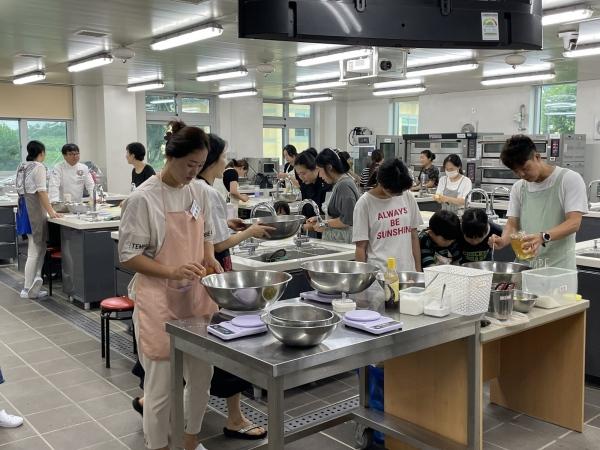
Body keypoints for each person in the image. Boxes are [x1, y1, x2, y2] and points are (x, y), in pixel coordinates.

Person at [119, 122, 220, 450]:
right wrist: (171, 270)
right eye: (189, 164)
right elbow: (129, 257)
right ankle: (159, 446)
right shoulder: (143, 198)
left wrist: (209, 258)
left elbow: (204, 232)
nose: (194, 172)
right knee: (161, 388)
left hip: (195, 297)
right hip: (158, 302)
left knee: (201, 379)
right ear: (170, 156)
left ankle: (189, 440)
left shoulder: (199, 192)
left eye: (200, 166)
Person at [489, 135, 588, 269]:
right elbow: (512, 223)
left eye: (525, 168)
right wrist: (504, 239)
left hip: (559, 268)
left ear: (537, 157)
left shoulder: (569, 179)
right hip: (525, 266)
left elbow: (574, 223)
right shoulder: (519, 188)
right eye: (516, 172)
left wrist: (543, 236)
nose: (522, 175)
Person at [353, 159, 423, 271]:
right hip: (379, 273)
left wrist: (418, 271)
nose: (398, 194)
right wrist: (363, 278)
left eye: (401, 191)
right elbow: (361, 247)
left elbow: (414, 236)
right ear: (381, 183)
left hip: (407, 271)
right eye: (394, 192)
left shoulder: (407, 196)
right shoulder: (364, 203)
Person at [15, 141, 61, 299]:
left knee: (40, 248)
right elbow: (41, 191)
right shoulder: (38, 167)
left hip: (23, 208)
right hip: (33, 210)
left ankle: (35, 282)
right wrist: (52, 211)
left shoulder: (22, 165)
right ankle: (27, 288)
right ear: (41, 152)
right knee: (34, 250)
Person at [307, 148, 360, 243]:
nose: (319, 175)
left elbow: (347, 220)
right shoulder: (339, 183)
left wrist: (324, 223)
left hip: (344, 241)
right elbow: (339, 215)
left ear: (329, 167)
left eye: (319, 170)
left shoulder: (344, 185)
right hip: (338, 239)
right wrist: (321, 218)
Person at [294, 148, 332, 220]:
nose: (301, 177)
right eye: (298, 174)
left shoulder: (327, 185)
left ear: (315, 169)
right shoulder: (305, 186)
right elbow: (305, 211)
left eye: (303, 173)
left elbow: (329, 216)